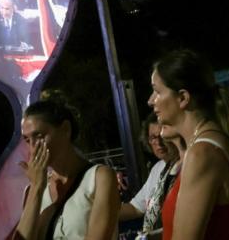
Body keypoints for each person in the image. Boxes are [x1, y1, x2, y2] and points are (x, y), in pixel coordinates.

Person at [148, 49, 229, 240]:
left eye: (157, 92)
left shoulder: (202, 153)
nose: (151, 101)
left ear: (183, 98)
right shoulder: (208, 143)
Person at [12, 100, 120, 239]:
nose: (33, 147)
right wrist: (36, 188)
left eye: (39, 136)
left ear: (65, 129)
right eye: (27, 140)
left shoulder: (99, 177)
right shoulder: (32, 190)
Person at [119, 113, 179, 237]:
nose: (158, 143)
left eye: (162, 136)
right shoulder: (157, 169)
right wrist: (97, 212)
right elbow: (135, 208)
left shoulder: (185, 165)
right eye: (152, 138)